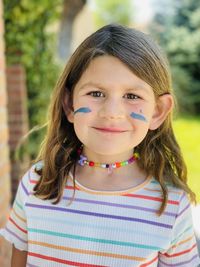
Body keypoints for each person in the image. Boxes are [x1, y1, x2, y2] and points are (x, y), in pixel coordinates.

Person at [0, 24, 199, 267]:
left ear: (157, 112)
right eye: (96, 93)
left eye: (132, 96)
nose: (112, 112)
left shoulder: (171, 205)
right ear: (69, 104)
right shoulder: (37, 184)